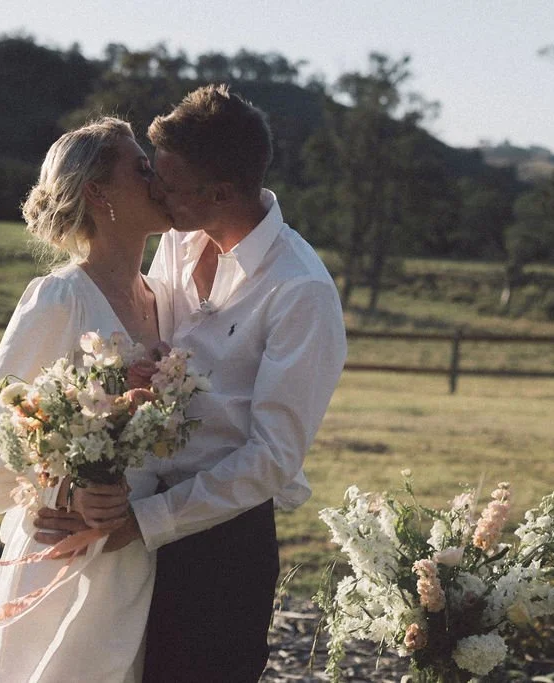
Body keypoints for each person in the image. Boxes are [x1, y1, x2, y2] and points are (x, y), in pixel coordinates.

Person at [35, 84, 348, 682]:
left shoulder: (301, 291)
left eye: (170, 184)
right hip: (130, 518)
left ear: (221, 193)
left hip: (221, 543)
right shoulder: (178, 242)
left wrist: (146, 523)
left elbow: (273, 458)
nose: (155, 190)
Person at [0, 117, 172, 682]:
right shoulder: (59, 298)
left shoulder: (165, 300)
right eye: (142, 169)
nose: (159, 180)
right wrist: (62, 492)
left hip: (138, 555)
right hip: (64, 557)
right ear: (98, 193)